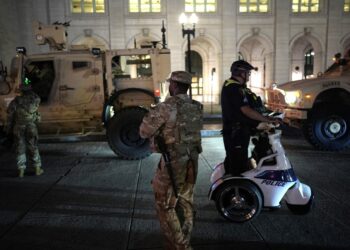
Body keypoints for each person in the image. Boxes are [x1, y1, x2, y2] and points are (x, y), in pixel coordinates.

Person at [139, 71, 203, 250]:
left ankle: (180, 246)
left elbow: (144, 131)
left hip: (173, 162)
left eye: (170, 84)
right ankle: (186, 236)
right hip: (193, 160)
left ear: (173, 86)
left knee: (165, 204)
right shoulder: (197, 106)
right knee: (186, 201)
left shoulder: (165, 107)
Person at [221, 60, 279, 176]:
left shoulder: (240, 87)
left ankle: (232, 187)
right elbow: (245, 109)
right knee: (238, 167)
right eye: (248, 73)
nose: (249, 75)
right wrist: (266, 119)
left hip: (240, 131)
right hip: (235, 133)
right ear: (241, 73)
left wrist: (269, 115)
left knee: (237, 162)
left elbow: (254, 106)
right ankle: (235, 191)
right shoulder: (233, 87)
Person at [5, 81, 43, 178]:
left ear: (21, 91)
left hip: (19, 127)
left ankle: (21, 170)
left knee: (20, 148)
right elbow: (37, 116)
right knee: (33, 146)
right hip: (31, 126)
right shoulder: (35, 100)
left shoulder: (16, 101)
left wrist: (8, 129)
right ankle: (37, 169)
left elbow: (10, 116)